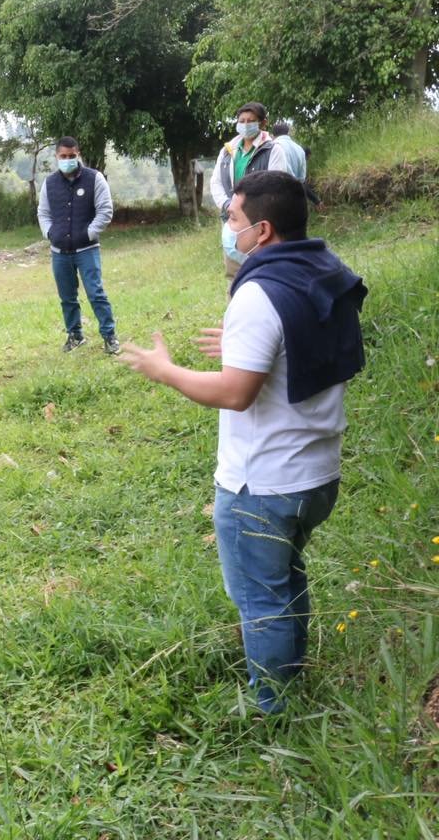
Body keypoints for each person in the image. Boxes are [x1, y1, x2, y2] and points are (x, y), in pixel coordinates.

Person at [121, 170, 366, 714]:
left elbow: (236, 393)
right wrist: (244, 345)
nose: (228, 228)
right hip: (318, 474)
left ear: (263, 228)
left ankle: (272, 708)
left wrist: (166, 371)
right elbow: (299, 346)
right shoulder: (324, 271)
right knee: (283, 577)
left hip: (264, 483)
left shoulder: (259, 293)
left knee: (260, 596)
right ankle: (292, 673)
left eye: (232, 219)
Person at [37, 136, 119, 354]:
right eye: (63, 156)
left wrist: (89, 233)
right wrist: (50, 233)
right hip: (59, 252)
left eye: (71, 156)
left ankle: (109, 336)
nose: (67, 160)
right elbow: (43, 213)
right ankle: (75, 335)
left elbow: (105, 210)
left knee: (96, 293)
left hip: (87, 250)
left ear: (78, 154)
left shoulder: (95, 179)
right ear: (56, 156)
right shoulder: (49, 183)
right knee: (67, 297)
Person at [209, 102, 298, 280]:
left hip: (261, 223)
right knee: (235, 275)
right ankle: (237, 306)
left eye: (251, 121)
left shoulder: (272, 150)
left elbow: (276, 186)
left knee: (265, 271)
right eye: (241, 120)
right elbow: (216, 183)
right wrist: (228, 205)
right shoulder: (227, 151)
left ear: (263, 123)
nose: (245, 124)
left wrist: (254, 212)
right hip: (233, 223)